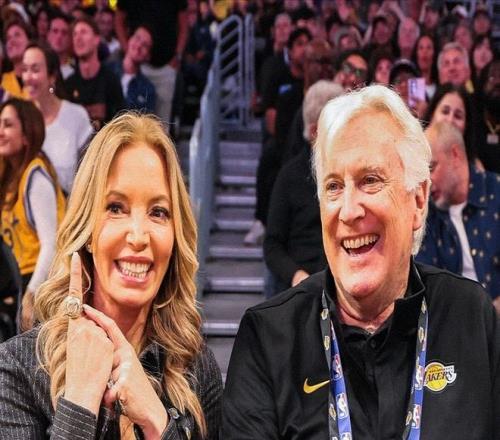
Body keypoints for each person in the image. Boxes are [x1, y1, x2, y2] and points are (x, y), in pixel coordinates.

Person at [222, 85, 500, 438]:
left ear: (418, 200)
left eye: (370, 181)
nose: (349, 211)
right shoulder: (268, 338)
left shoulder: (471, 317)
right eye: (334, 187)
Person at [0, 113, 222, 438]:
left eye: (158, 212)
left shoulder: (196, 368)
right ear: (87, 230)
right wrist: (80, 401)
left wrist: (157, 421)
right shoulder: (18, 369)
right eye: (116, 208)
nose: (138, 236)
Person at [264, 80, 343, 296]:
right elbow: (272, 246)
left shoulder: (351, 174)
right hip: (300, 285)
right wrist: (297, 276)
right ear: (315, 131)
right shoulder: (289, 176)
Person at [0, 98, 66, 330]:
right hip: (18, 279)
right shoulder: (9, 174)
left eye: (8, 125)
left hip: (40, 280)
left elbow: (51, 244)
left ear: (27, 134)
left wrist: (32, 294)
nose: (1, 131)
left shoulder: (36, 179)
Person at [418, 121, 500, 306]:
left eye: (432, 168)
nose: (427, 182)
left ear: (455, 155)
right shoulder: (426, 215)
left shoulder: (496, 192)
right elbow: (429, 289)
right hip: (457, 319)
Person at [22, 42, 93, 195]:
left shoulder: (76, 116)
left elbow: (90, 175)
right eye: (25, 69)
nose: (27, 77)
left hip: (69, 206)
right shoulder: (20, 119)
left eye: (35, 69)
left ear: (52, 76)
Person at [116, 1, 189, 128]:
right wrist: (129, 51)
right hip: (135, 66)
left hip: (165, 66)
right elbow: (118, 20)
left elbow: (184, 25)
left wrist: (177, 57)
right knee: (129, 117)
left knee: (162, 125)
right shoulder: (113, 70)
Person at [65, 15, 124, 130]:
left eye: (83, 32)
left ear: (97, 39)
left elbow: (120, 122)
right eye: (75, 34)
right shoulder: (69, 84)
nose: (78, 38)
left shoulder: (111, 80)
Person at [423, 83, 477, 165]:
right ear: (431, 115)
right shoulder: (411, 161)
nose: (450, 120)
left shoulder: (474, 171)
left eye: (458, 116)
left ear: (466, 125)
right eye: (445, 112)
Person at [108, 25, 156, 112]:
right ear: (129, 39)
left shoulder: (148, 90)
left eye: (145, 45)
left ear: (148, 56)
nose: (139, 46)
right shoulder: (107, 70)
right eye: (137, 38)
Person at [1, 18, 32, 98]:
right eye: (8, 38)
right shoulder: (2, 82)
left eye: (17, 35)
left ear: (29, 41)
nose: (11, 41)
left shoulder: (41, 77)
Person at [47, 10, 75, 80]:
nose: (59, 36)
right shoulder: (40, 66)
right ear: (48, 35)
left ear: (70, 38)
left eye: (64, 33)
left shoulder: (77, 69)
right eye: (55, 31)